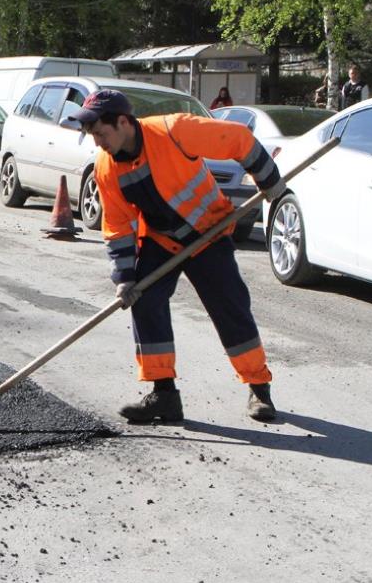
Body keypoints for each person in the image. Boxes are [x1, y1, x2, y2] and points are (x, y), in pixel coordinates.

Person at [69, 89, 286, 424]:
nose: (98, 142)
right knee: (145, 300)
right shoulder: (106, 167)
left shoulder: (174, 131)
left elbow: (239, 139)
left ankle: (259, 388)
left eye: (101, 133)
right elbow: (117, 225)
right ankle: (164, 395)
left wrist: (270, 181)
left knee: (230, 308)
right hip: (162, 240)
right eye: (93, 136)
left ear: (124, 122)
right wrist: (125, 277)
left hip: (208, 234)